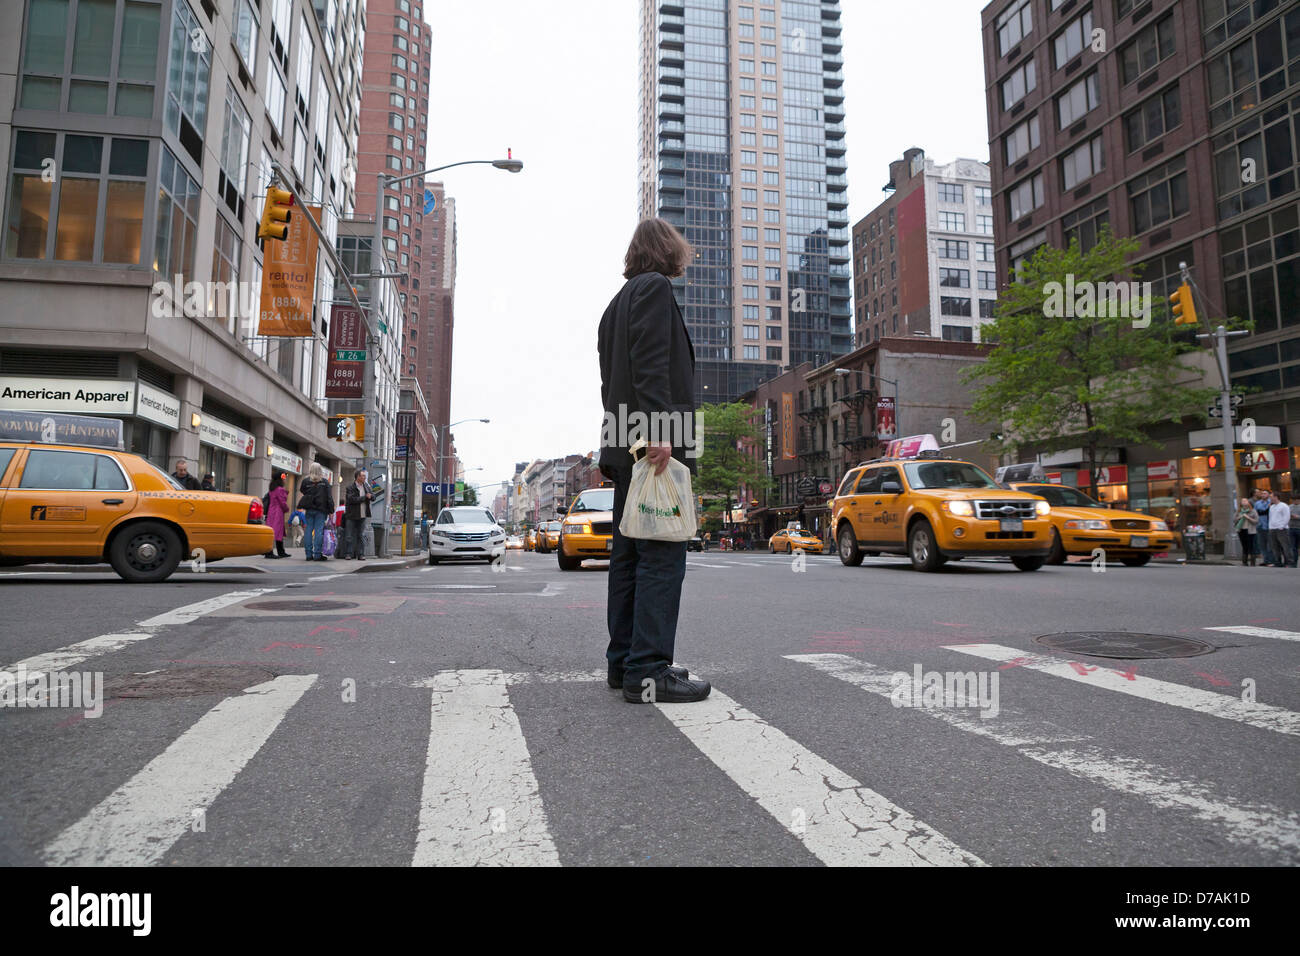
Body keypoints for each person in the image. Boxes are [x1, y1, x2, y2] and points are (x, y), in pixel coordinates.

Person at [598, 217, 709, 704]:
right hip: (654, 444)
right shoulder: (655, 289)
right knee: (662, 553)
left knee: (629, 557)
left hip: (625, 442)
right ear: (668, 250)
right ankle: (649, 669)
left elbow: (611, 383)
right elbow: (649, 362)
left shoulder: (615, 304)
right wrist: (662, 432)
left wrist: (625, 440)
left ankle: (625, 664)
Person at [298, 462, 334, 561]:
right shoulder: (325, 482)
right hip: (321, 510)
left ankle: (308, 555)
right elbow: (329, 498)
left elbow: (302, 490)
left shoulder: (306, 481)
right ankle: (317, 554)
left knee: (308, 531)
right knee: (318, 532)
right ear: (320, 471)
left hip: (309, 509)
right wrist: (331, 511)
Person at [344, 470, 373, 560]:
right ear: (358, 477)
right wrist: (365, 497)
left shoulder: (366, 486)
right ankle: (349, 553)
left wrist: (371, 496)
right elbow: (351, 499)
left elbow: (373, 496)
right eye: (363, 476)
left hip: (363, 515)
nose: (365, 477)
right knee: (349, 535)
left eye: (365, 476)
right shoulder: (350, 487)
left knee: (361, 535)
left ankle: (361, 554)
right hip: (351, 515)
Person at [263, 473, 289, 558]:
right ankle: (271, 552)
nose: (284, 479)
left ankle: (278, 551)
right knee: (277, 532)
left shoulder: (272, 489)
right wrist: (286, 509)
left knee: (274, 532)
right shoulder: (280, 489)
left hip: (271, 511)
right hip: (278, 513)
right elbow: (282, 502)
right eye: (283, 477)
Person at [1267, 492, 1293, 568]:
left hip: (1282, 529)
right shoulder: (1272, 507)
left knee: (1285, 546)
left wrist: (1282, 526)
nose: (1270, 498)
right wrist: (1270, 527)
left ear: (1276, 497)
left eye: (1271, 497)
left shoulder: (1283, 506)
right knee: (1275, 547)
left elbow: (1287, 517)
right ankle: (1277, 562)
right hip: (1272, 529)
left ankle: (1289, 562)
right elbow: (1271, 517)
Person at [1232, 497, 1258, 566]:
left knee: (1251, 546)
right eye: (1242, 501)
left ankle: (1253, 562)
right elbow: (1234, 520)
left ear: (1248, 503)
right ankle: (1244, 562)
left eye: (1245, 501)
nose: (1244, 502)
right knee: (1244, 546)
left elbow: (1256, 521)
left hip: (1250, 531)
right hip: (1241, 530)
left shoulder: (1252, 511)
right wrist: (1239, 517)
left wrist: (1248, 517)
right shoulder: (1238, 511)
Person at [1253, 489, 1274, 566]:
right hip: (1260, 526)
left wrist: (1262, 511)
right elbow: (1255, 513)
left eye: (1265, 493)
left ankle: (1271, 560)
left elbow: (1268, 512)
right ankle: (1265, 560)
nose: (1263, 495)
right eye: (1262, 493)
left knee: (1270, 545)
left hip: (1269, 526)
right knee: (1262, 545)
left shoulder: (1271, 502)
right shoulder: (1257, 503)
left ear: (1268, 495)